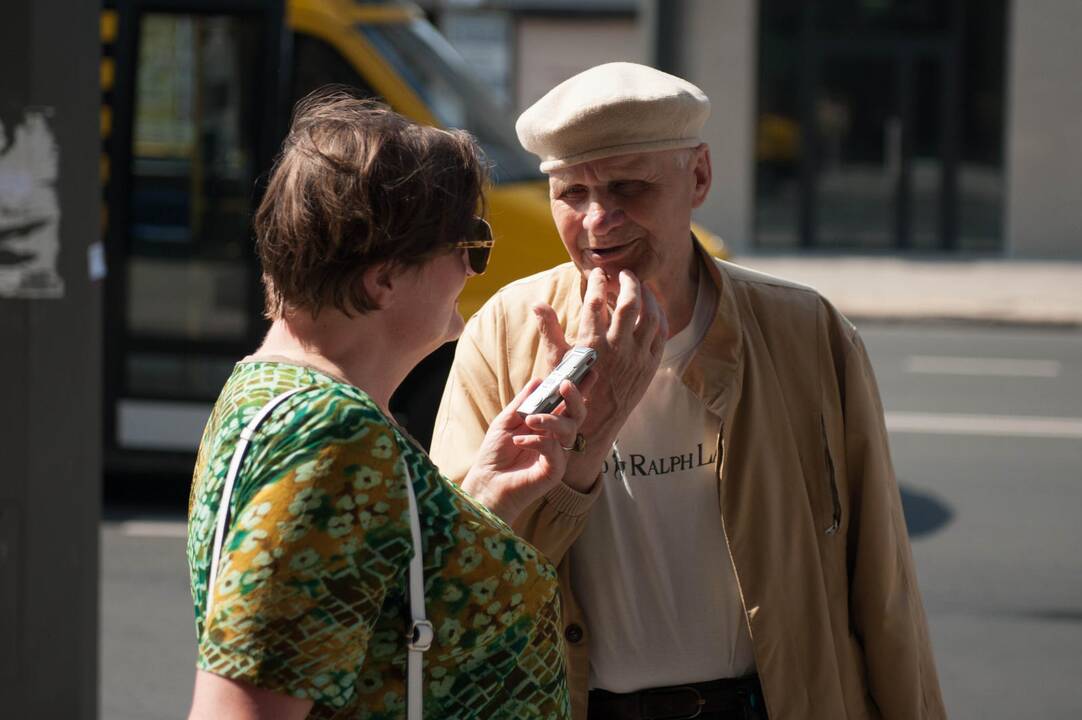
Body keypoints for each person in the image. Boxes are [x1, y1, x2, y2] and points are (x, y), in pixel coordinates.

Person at [431, 63, 946, 720]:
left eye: (628, 187)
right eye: (571, 193)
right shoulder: (506, 333)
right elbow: (460, 580)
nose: (597, 221)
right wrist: (583, 421)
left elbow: (883, 586)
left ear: (698, 177)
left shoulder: (806, 331)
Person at [186, 88, 589, 719]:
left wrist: (479, 503)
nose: (472, 271)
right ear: (384, 277)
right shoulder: (330, 433)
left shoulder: (268, 392)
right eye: (468, 247)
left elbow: (375, 615)